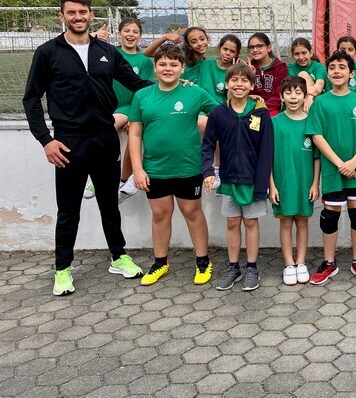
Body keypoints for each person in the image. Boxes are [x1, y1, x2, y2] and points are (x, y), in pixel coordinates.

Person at [23, 0, 151, 296]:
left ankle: (118, 257)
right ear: (62, 16)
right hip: (69, 142)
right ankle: (62, 269)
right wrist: (46, 140)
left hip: (105, 138)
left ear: (92, 16)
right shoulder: (48, 52)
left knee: (109, 205)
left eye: (83, 12)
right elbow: (31, 99)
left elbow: (136, 84)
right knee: (68, 210)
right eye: (72, 12)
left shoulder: (106, 51)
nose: (78, 17)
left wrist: (173, 87)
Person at [128, 45, 218, 286]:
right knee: (160, 214)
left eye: (173, 64)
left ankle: (203, 261)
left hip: (188, 167)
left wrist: (251, 102)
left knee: (192, 213)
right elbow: (135, 135)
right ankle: (160, 262)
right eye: (163, 64)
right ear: (155, 67)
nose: (168, 69)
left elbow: (222, 114)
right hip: (155, 169)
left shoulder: (194, 92)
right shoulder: (142, 96)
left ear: (182, 68)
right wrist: (137, 169)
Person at [201, 63, 274, 292]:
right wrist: (208, 172)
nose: (239, 84)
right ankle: (233, 267)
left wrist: (264, 183)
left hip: (253, 180)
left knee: (251, 222)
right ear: (227, 84)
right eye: (234, 80)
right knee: (232, 222)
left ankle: (251, 267)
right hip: (229, 178)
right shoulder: (218, 113)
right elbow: (208, 145)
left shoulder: (261, 113)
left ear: (251, 85)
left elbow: (267, 150)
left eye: (244, 80)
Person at [306, 50, 356, 285]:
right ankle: (329, 262)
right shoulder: (320, 102)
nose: (337, 71)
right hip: (333, 171)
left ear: (351, 73)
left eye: (342, 67)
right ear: (327, 73)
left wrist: (354, 161)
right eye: (332, 67)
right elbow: (317, 136)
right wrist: (340, 164)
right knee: (329, 216)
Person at [270, 76, 321, 286]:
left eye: (298, 92)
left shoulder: (311, 123)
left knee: (302, 222)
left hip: (304, 183)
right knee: (285, 222)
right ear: (281, 97)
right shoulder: (274, 123)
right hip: (282, 183)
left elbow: (317, 157)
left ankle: (301, 262)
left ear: (305, 96)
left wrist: (315, 183)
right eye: (288, 92)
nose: (293, 97)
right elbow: (267, 158)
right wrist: (271, 185)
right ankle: (289, 264)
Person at [112, 18, 155, 203]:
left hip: (129, 107)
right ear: (119, 33)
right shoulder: (111, 53)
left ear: (140, 35)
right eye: (127, 31)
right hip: (109, 105)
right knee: (98, 132)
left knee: (117, 129)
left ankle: (123, 180)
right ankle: (105, 174)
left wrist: (134, 116)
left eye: (135, 31)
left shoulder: (144, 61)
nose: (130, 35)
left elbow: (143, 89)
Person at [248, 32, 289, 117]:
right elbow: (247, 92)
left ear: (269, 48)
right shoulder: (248, 67)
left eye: (259, 46)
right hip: (251, 106)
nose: (255, 50)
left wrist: (262, 107)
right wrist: (250, 76)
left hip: (272, 108)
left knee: (268, 119)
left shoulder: (280, 67)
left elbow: (279, 94)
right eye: (251, 47)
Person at [199, 34, 242, 105]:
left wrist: (234, 75)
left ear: (236, 54)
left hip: (220, 108)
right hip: (201, 106)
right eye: (225, 49)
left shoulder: (234, 72)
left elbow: (233, 98)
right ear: (219, 48)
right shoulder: (205, 64)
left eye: (232, 51)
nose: (227, 53)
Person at [287, 38, 327, 109]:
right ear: (292, 55)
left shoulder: (319, 67)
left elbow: (320, 84)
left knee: (303, 74)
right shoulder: (291, 68)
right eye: (297, 54)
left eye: (304, 53)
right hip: (297, 99)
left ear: (311, 53)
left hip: (315, 100)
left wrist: (310, 98)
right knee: (302, 75)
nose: (301, 57)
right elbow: (294, 86)